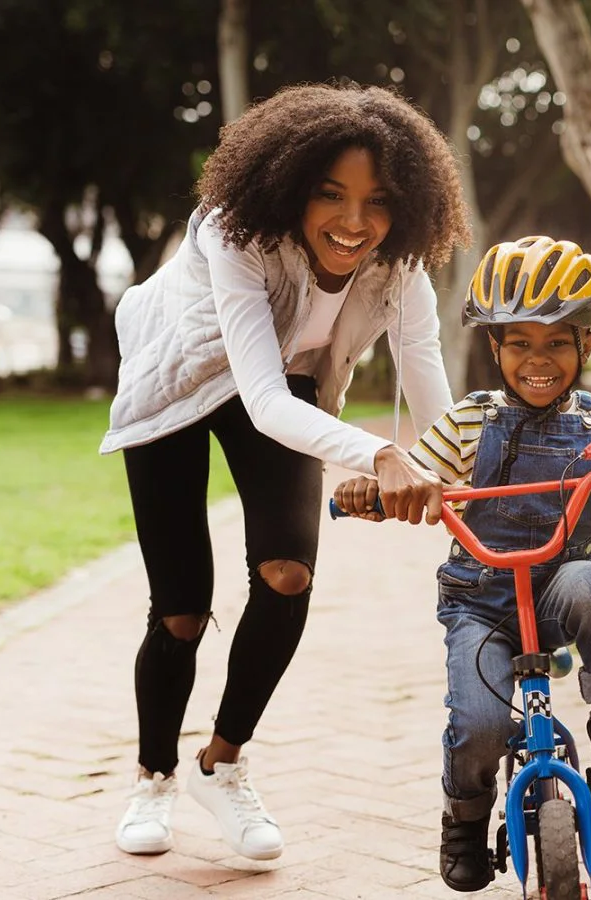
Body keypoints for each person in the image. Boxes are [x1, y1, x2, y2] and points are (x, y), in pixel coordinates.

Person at [98, 82, 471, 861]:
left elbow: (425, 372)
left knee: (287, 572)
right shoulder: (235, 235)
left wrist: (457, 466)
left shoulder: (400, 268)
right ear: (291, 187)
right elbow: (262, 400)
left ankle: (221, 765)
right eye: (331, 195)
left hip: (285, 384)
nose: (355, 222)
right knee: (181, 610)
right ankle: (154, 775)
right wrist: (381, 452)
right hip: (178, 383)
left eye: (378, 202)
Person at [333, 236, 591, 891]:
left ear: (587, 345)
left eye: (557, 342)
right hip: (481, 600)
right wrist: (375, 490)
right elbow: (417, 472)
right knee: (476, 726)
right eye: (519, 343)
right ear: (495, 347)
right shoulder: (471, 420)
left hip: (558, 587)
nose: (538, 360)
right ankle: (465, 819)